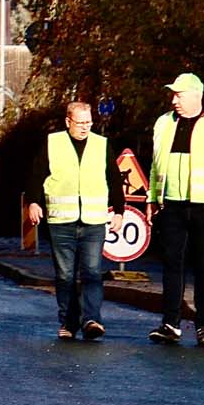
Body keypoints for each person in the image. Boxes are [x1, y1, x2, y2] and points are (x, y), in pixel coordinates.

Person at [147, 72, 204, 348]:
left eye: (180, 95)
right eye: (173, 95)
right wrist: (152, 198)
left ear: (197, 96)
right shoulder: (164, 123)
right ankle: (170, 324)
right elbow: (155, 164)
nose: (174, 100)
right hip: (171, 203)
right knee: (172, 264)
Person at [25, 101, 125, 341]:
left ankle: (92, 320)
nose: (84, 128)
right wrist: (33, 202)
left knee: (92, 272)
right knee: (65, 275)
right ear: (68, 122)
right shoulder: (53, 143)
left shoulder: (102, 145)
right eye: (80, 123)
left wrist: (119, 211)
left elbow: (114, 179)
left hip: (93, 220)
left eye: (88, 122)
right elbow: (36, 174)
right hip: (62, 221)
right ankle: (68, 323)